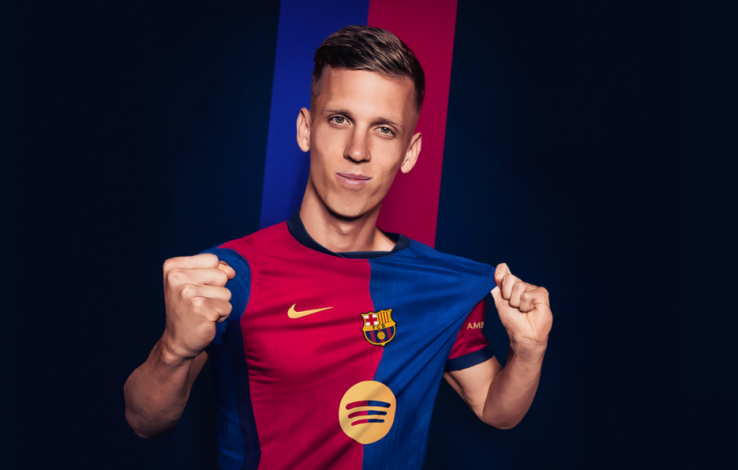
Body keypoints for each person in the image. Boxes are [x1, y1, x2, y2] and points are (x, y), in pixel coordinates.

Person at [124, 25, 552, 470]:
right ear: (306, 129)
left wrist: (529, 350)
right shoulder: (232, 275)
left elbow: (495, 409)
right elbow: (144, 420)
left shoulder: (447, 287)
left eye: (384, 129)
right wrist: (172, 351)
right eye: (340, 119)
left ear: (409, 152)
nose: (357, 150)